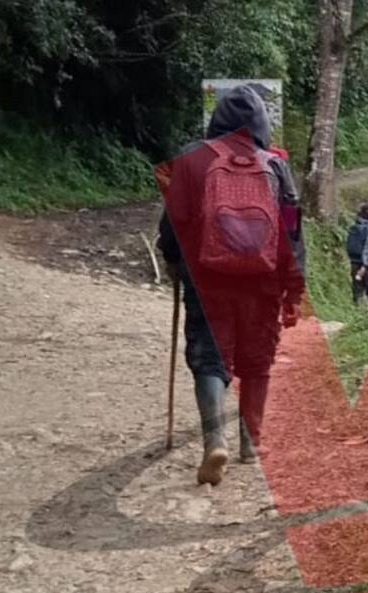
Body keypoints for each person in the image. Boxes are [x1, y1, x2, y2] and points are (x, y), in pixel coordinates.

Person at [157, 84, 305, 486]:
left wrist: (172, 260)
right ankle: (249, 443)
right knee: (257, 358)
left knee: (209, 355)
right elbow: (291, 232)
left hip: (208, 278)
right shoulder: (275, 166)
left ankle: (214, 441)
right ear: (261, 122)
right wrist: (294, 290)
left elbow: (174, 222)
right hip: (264, 280)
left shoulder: (191, 159)